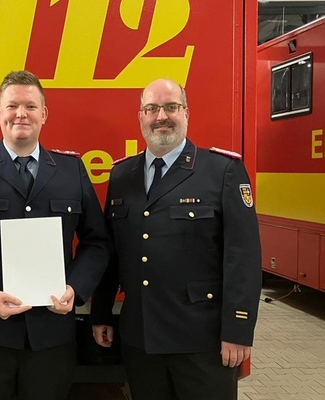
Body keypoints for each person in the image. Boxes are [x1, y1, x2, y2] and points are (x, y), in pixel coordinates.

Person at [0, 70, 110, 400]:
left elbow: (97, 242)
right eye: (12, 106)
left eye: (30, 106)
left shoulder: (73, 171)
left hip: (51, 334)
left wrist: (76, 289)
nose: (21, 114)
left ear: (44, 114)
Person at [90, 78, 262, 400]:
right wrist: (101, 312)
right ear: (140, 116)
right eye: (152, 108)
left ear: (186, 114)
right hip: (141, 337)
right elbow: (113, 251)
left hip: (202, 339)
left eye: (171, 107)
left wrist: (238, 330)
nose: (161, 116)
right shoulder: (122, 174)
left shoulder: (222, 171)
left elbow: (243, 257)